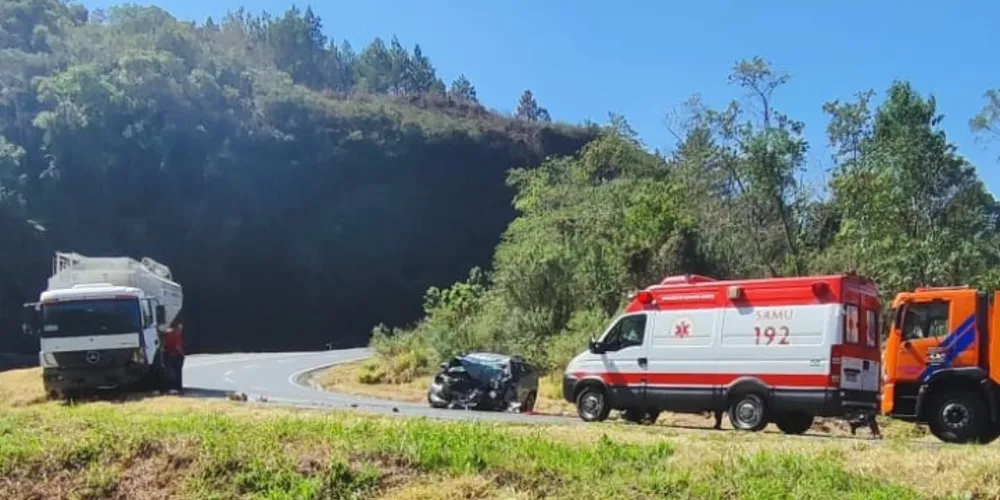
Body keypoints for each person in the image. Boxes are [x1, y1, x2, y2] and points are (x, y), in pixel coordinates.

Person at [162, 322, 185, 393]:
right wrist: (182, 354)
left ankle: (171, 387)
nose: (181, 330)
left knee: (170, 372)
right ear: (177, 327)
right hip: (176, 355)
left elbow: (163, 343)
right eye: (180, 328)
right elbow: (178, 346)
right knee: (178, 372)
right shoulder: (176, 334)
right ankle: (178, 387)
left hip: (168, 354)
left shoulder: (167, 333)